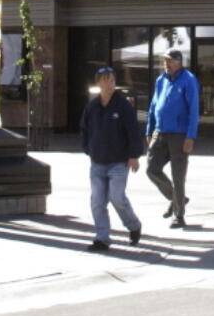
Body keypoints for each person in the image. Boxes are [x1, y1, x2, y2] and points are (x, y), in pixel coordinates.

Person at [80, 66, 145, 251]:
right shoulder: (92, 106)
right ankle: (102, 238)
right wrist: (88, 148)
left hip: (119, 162)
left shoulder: (123, 105)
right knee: (97, 202)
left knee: (117, 197)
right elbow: (84, 130)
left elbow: (133, 131)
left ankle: (134, 225)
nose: (110, 84)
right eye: (106, 80)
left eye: (113, 80)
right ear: (98, 83)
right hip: (98, 163)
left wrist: (134, 155)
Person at [145, 48, 199, 228]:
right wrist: (149, 129)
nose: (166, 64)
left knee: (178, 175)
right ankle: (178, 198)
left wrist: (190, 136)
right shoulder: (161, 80)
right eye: (164, 60)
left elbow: (193, 110)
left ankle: (179, 215)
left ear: (179, 62)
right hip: (160, 132)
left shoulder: (189, 80)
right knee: (152, 169)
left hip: (179, 134)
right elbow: (153, 106)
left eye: (169, 60)